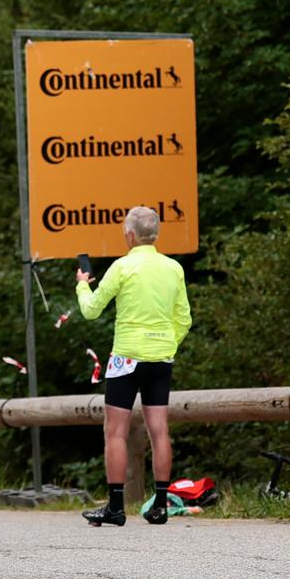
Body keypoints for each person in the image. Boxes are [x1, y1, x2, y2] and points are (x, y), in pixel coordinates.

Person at [75, 204, 193, 528]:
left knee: (115, 431)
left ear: (129, 235)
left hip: (126, 357)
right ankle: (161, 506)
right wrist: (168, 344)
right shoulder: (173, 269)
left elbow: (91, 310)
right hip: (160, 357)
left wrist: (82, 284)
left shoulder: (122, 267)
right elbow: (185, 318)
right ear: (156, 234)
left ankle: (115, 506)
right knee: (160, 430)